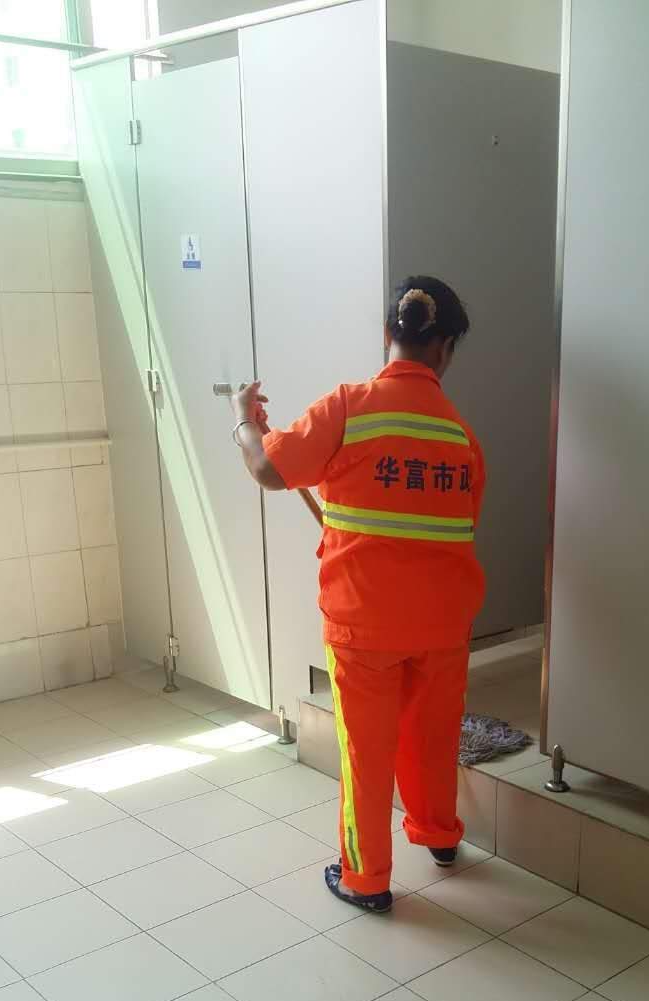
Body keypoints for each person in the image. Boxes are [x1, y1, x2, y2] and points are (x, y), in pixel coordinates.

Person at [231, 276, 486, 913]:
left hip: (363, 623)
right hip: (443, 623)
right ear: (446, 348)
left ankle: (365, 878)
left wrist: (244, 425)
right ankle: (439, 835)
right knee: (432, 736)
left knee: (366, 752)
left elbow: (267, 468)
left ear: (388, 335)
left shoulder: (349, 408)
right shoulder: (460, 438)